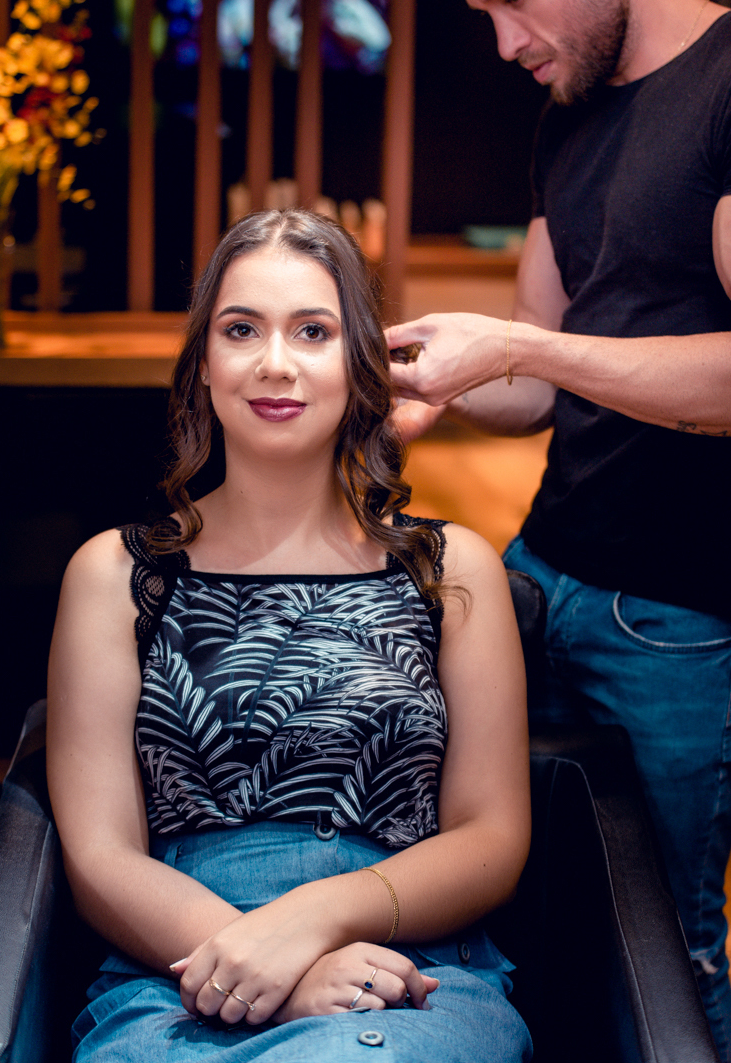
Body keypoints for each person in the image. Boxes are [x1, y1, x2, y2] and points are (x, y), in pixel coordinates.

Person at [46, 208, 533, 1063]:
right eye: (241, 330)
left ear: (360, 365)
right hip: (179, 975)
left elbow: (492, 839)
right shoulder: (115, 575)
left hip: (404, 974)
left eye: (313, 331)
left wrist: (313, 921)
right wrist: (265, 964)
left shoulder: (451, 569)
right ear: (203, 363)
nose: (276, 364)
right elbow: (98, 853)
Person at [385, 0, 731, 1055]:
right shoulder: (570, 117)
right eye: (482, 11)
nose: (501, 41)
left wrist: (523, 343)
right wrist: (442, 382)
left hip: (680, 619)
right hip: (544, 573)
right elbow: (538, 387)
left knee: (663, 953)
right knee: (518, 915)